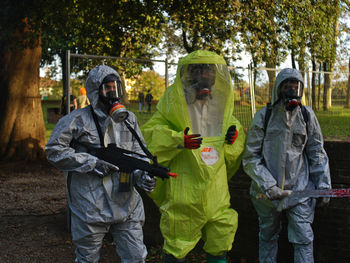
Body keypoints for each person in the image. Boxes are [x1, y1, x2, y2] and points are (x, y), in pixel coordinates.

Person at [141, 50, 246, 263]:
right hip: (184, 191)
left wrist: (233, 137)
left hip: (216, 191)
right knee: (177, 240)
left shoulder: (220, 106)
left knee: (221, 235)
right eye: (200, 72)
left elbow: (233, 128)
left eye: (210, 71)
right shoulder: (175, 104)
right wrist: (178, 140)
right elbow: (151, 134)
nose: (205, 77)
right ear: (190, 76)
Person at [45, 65, 156, 263]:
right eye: (107, 88)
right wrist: (90, 162)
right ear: (96, 92)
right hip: (90, 204)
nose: (113, 93)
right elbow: (54, 150)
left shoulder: (129, 119)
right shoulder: (76, 120)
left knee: (136, 256)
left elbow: (138, 154)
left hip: (126, 203)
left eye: (116, 87)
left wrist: (142, 175)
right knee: (88, 258)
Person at [242, 68, 331, 263]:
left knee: (303, 239)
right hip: (265, 193)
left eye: (296, 85)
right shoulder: (264, 117)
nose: (292, 89)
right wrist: (268, 185)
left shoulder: (307, 116)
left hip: (300, 190)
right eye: (287, 85)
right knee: (267, 235)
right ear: (278, 88)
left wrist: (323, 185)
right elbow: (250, 157)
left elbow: (317, 152)